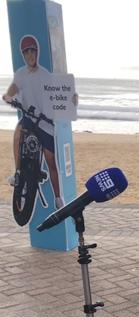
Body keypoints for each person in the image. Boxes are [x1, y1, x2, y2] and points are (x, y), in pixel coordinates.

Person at [3, 35, 64, 209]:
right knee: (17, 134)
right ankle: (18, 173)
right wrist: (9, 96)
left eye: (32, 51)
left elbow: (56, 96)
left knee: (51, 160)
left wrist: (64, 105)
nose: (30, 55)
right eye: (26, 52)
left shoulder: (45, 75)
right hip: (29, 118)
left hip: (44, 122)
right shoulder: (21, 74)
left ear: (37, 52)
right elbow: (14, 87)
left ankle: (58, 198)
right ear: (23, 55)